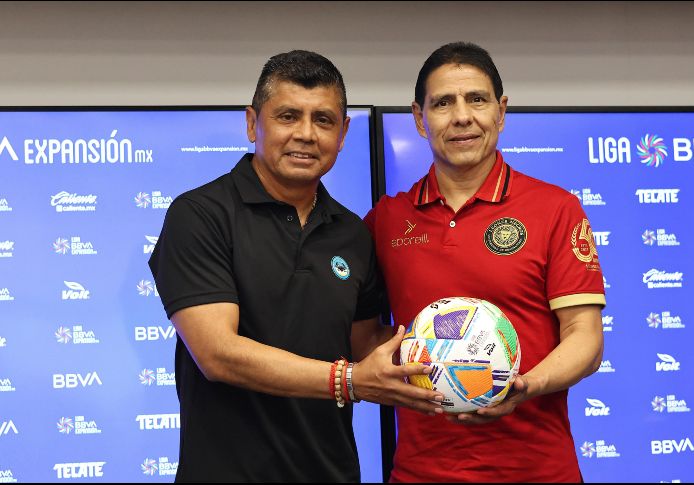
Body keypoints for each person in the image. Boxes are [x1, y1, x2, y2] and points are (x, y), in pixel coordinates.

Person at [148, 50, 442, 483]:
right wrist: (350, 381)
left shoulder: (353, 233)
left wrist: (466, 358)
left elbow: (366, 347)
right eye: (288, 116)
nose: (306, 134)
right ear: (253, 123)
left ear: (342, 134)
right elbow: (218, 355)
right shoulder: (201, 214)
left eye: (323, 120)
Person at [363, 42, 606, 482]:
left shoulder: (555, 208)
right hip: (420, 473)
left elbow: (585, 340)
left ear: (501, 111)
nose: (462, 117)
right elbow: (365, 337)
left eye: (476, 99)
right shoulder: (385, 220)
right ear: (419, 119)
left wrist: (524, 385)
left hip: (538, 472)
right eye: (443, 103)